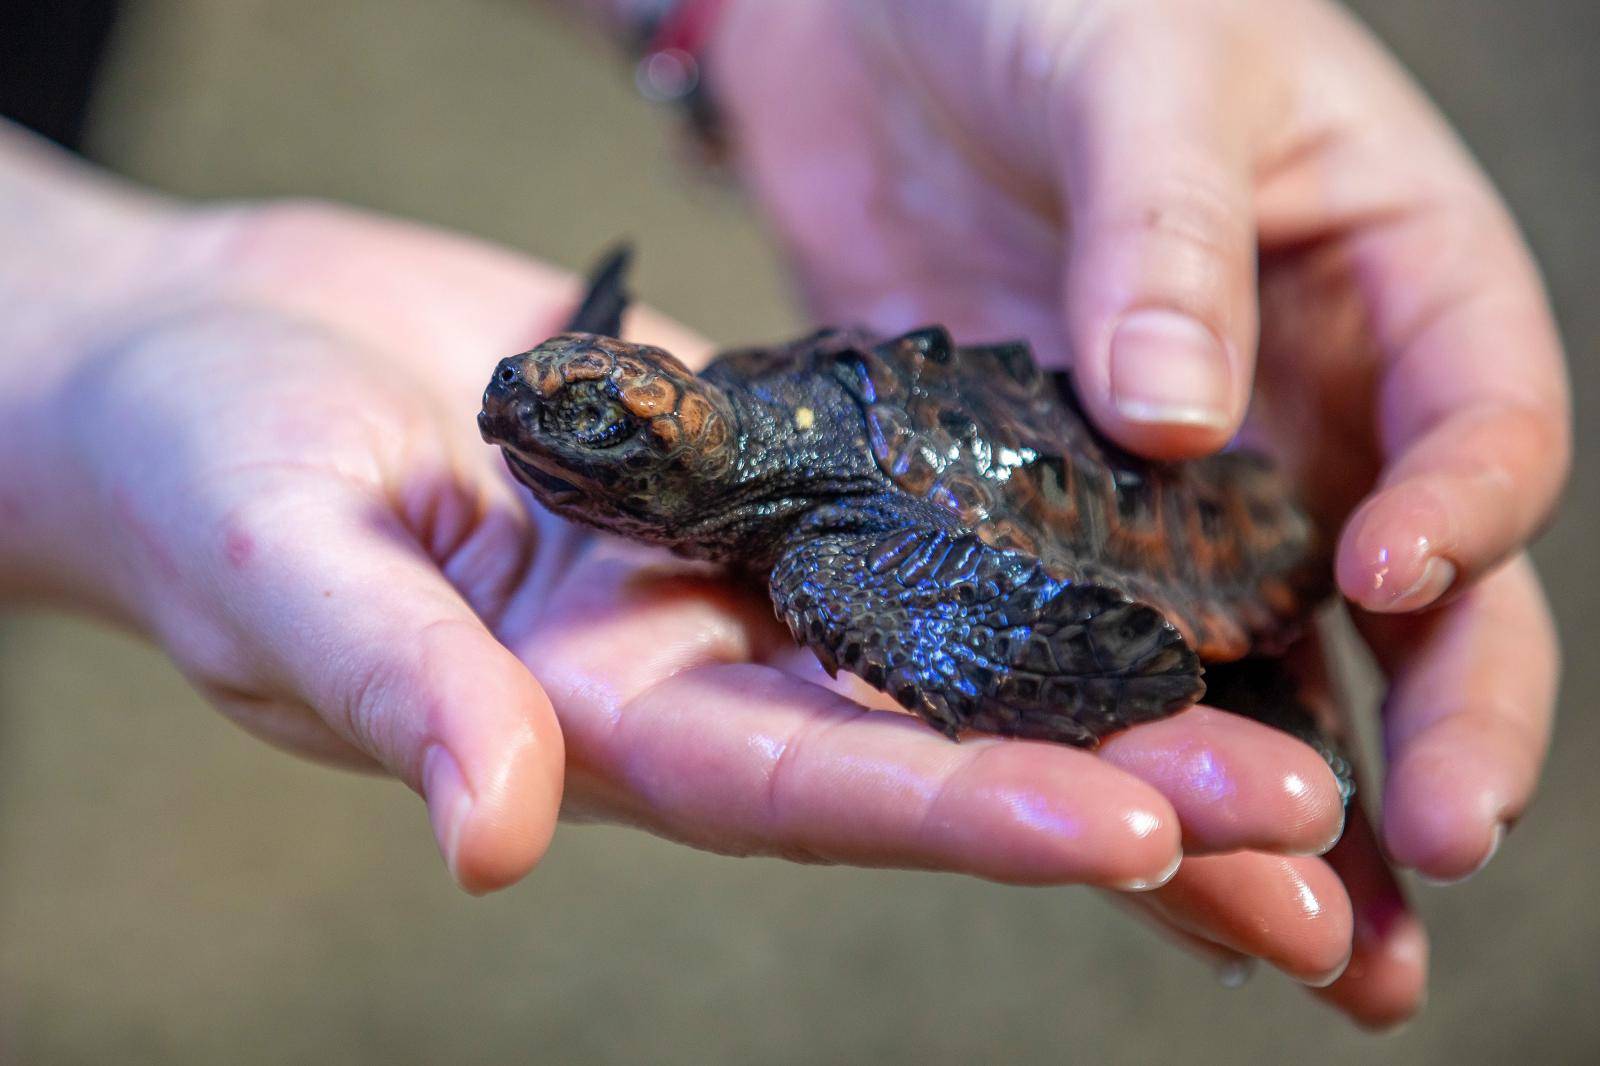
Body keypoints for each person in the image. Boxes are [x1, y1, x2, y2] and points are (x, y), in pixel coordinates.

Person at [0, 0, 1567, 1030]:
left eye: (598, 414)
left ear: (680, 455)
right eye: (552, 400)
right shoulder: (743, 410)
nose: (539, 414)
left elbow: (1138, 652)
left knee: (1220, 728)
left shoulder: (825, 539)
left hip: (1156, 520)